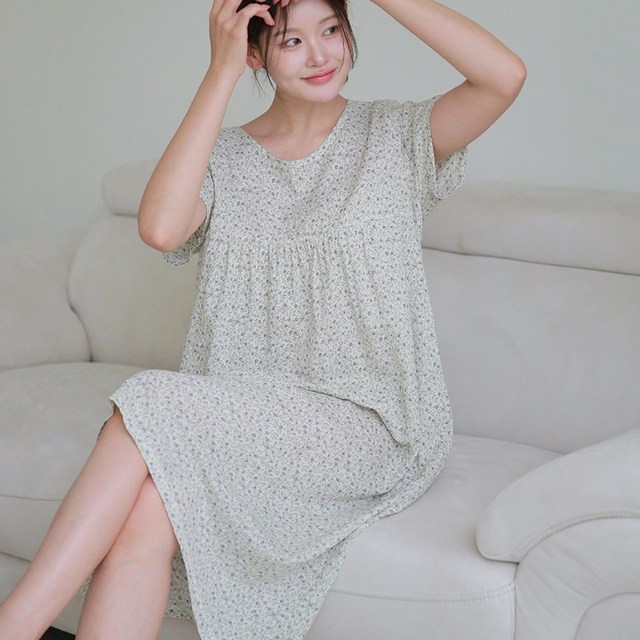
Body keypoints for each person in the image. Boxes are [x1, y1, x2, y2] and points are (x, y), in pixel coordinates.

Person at [0, 0, 526, 638]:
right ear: (255, 53)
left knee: (147, 400)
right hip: (247, 413)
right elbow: (160, 228)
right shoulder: (222, 159)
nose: (320, 54)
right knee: (146, 513)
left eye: (331, 31)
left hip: (369, 423)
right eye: (291, 41)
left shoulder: (397, 137)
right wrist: (220, 70)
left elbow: (504, 76)